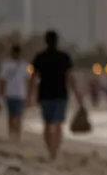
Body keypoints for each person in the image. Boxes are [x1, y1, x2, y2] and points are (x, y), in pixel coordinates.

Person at [30, 30, 82, 161]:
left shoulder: (40, 57)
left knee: (47, 124)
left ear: (46, 41)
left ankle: (50, 150)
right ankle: (55, 151)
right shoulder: (64, 57)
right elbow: (70, 77)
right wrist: (77, 94)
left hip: (45, 94)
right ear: (57, 41)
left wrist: (31, 94)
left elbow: (33, 78)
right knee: (58, 124)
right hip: (60, 94)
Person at [0, 44, 32, 142]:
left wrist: (30, 93)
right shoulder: (7, 64)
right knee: (12, 115)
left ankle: (16, 134)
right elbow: (2, 79)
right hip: (11, 93)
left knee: (18, 115)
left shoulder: (25, 65)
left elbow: (29, 79)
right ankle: (12, 133)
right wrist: (1, 92)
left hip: (20, 94)